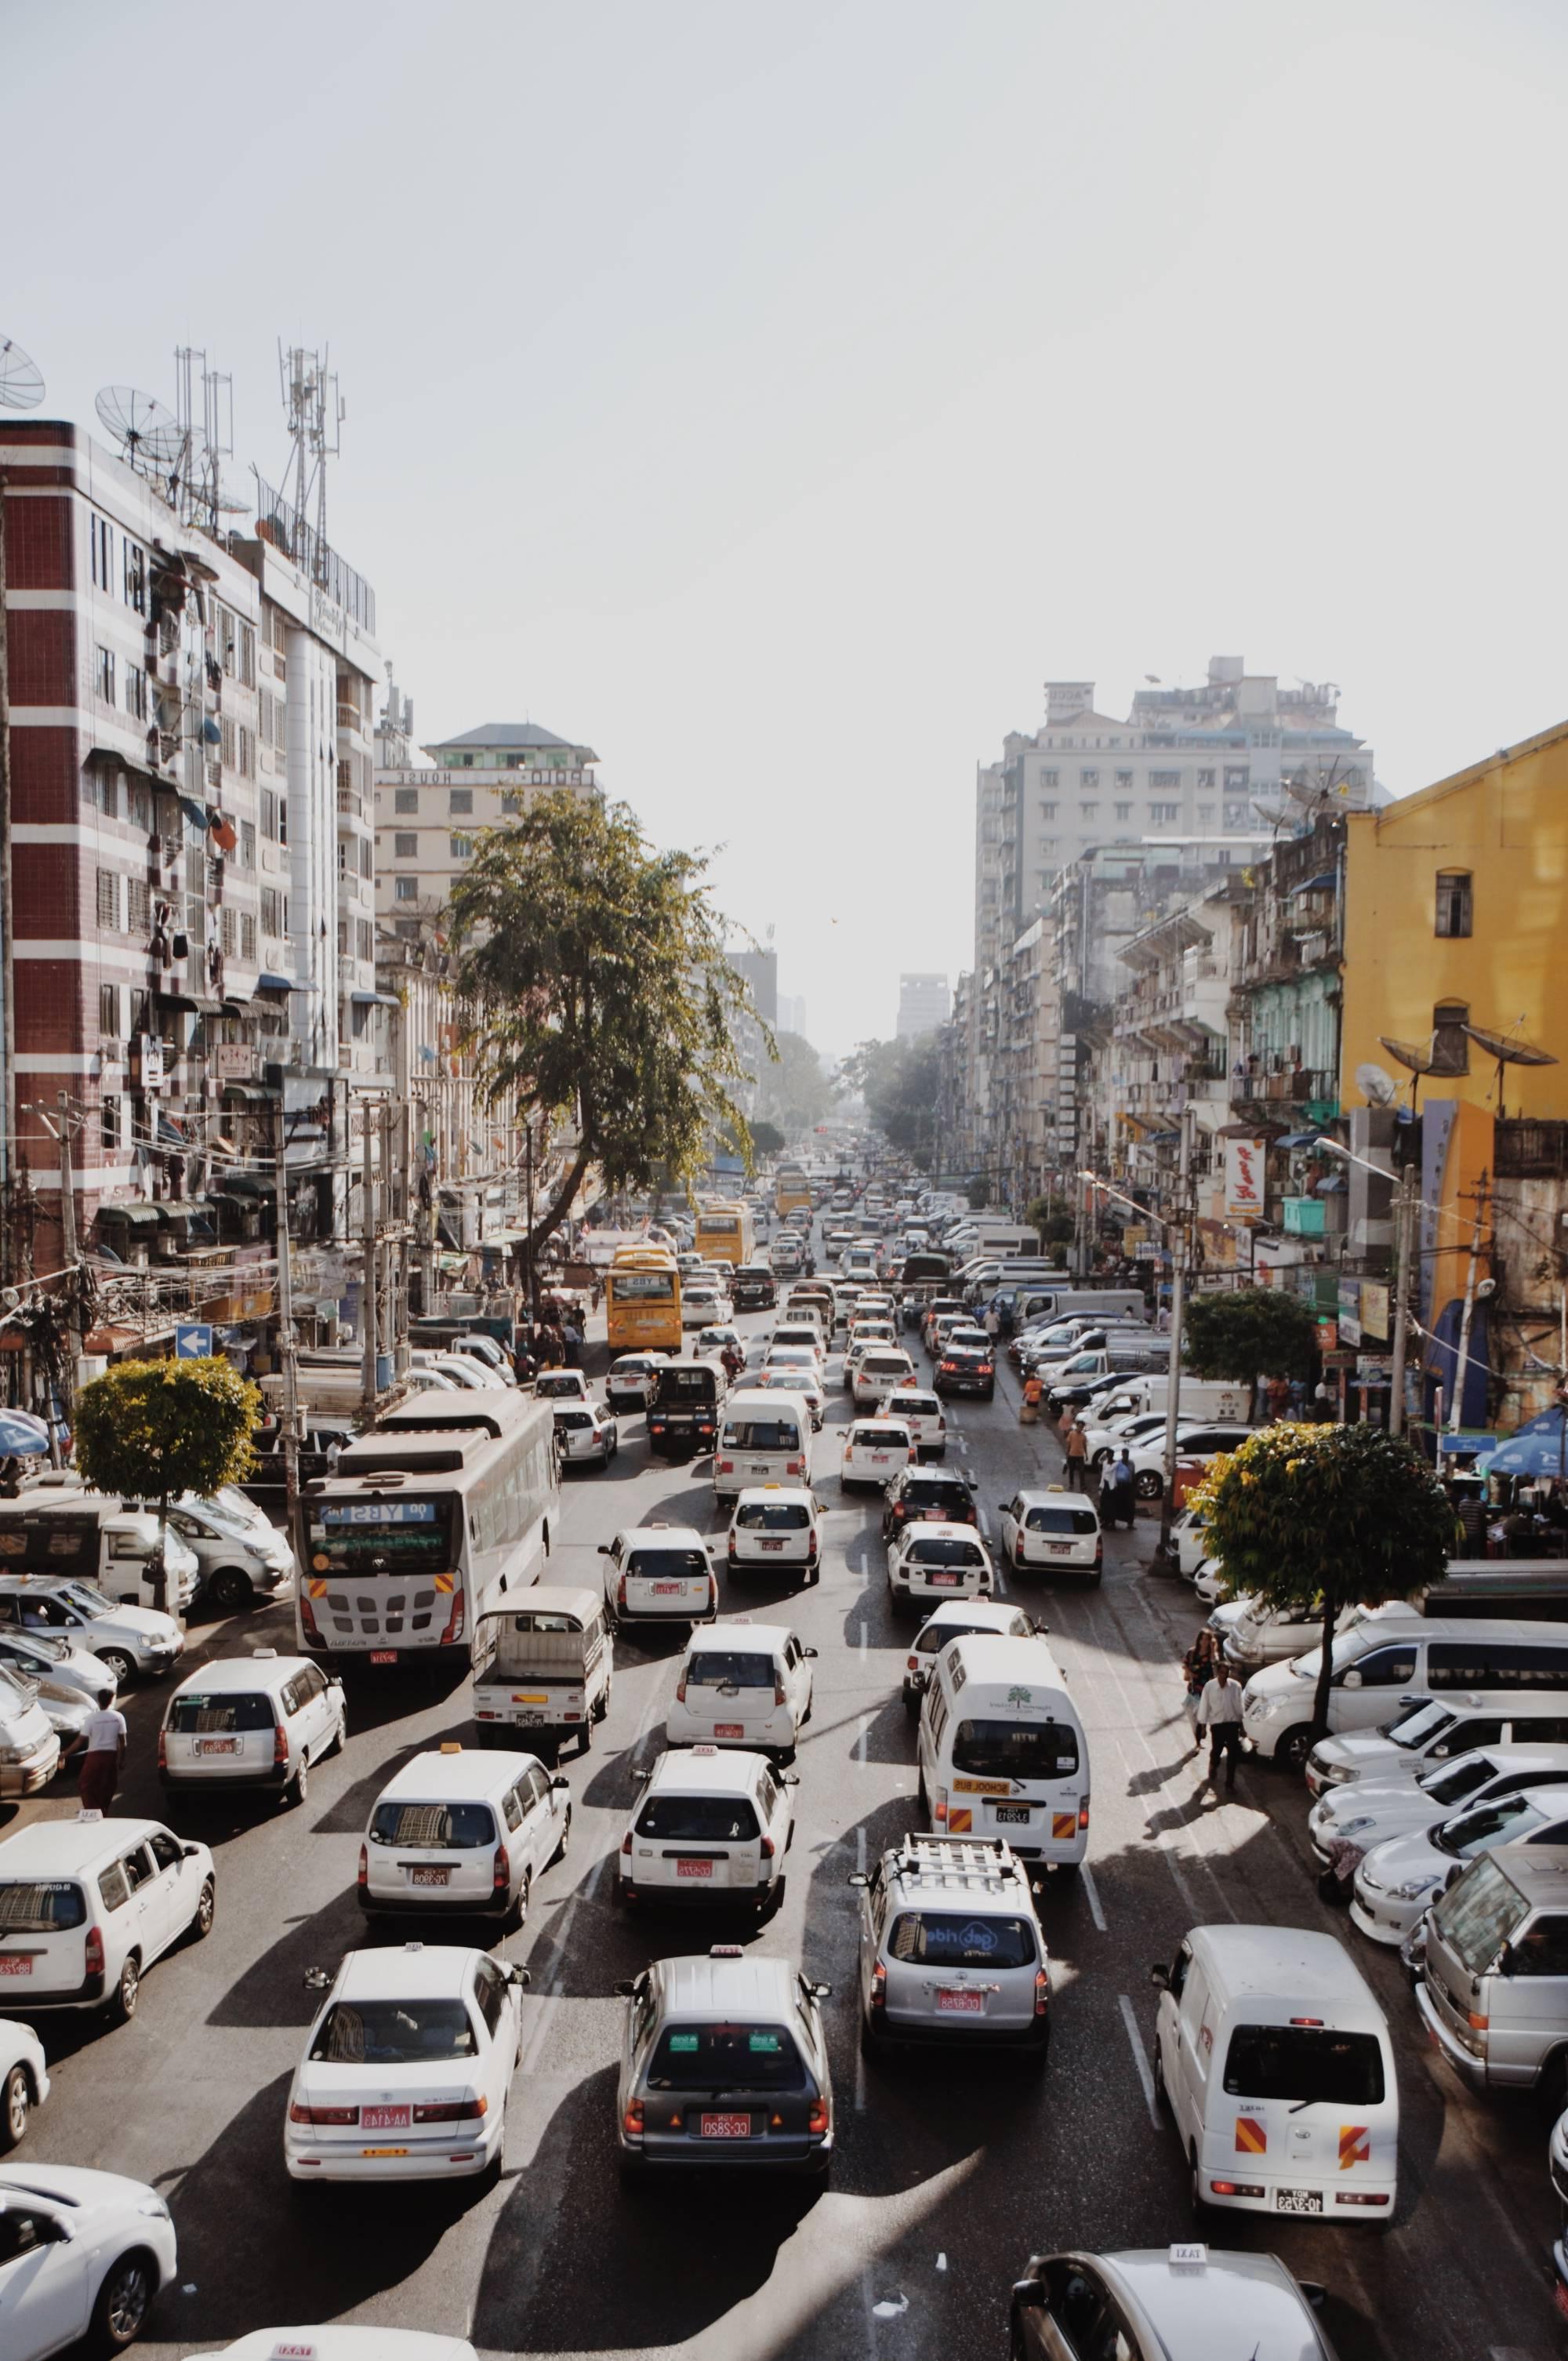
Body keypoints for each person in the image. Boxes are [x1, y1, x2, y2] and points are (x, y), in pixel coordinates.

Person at [1195, 1656, 1246, 1790]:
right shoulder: (1210, 1687)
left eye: (1226, 1673)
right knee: (1216, 1751)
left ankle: (1229, 1783)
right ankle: (1213, 1764)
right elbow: (1204, 1707)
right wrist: (1203, 1728)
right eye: (1222, 1673)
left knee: (1233, 1756)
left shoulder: (1236, 1687)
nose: (1224, 1676)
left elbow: (1239, 1708)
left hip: (1232, 1725)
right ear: (1217, 1673)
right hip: (1217, 1726)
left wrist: (1242, 1727)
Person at [78, 1687, 127, 1814]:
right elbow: (123, 1742)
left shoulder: (91, 1718)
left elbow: (80, 1740)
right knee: (108, 1785)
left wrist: (64, 1754)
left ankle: (92, 1810)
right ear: (111, 1701)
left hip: (94, 1756)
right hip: (111, 1756)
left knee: (86, 1784)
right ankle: (104, 1809)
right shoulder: (118, 1717)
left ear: (98, 1701)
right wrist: (122, 1760)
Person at [1102, 1447, 1136, 1529]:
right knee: (1116, 1505)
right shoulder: (1118, 1464)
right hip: (1119, 1486)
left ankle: (1130, 1523)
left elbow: (1133, 1475)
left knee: (1130, 1505)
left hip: (1128, 1486)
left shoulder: (1131, 1463)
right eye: (1124, 1454)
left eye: (1127, 1454)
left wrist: (1133, 1487)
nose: (1126, 1456)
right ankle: (1112, 1523)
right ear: (1122, 1454)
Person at [1063, 1419, 1089, 1491]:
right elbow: (1069, 1444)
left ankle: (1082, 1485)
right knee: (1071, 1470)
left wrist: (1086, 1455)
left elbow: (1084, 1446)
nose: (1080, 1428)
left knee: (1082, 1471)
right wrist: (1067, 1453)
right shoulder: (1071, 1434)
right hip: (1072, 1455)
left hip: (1080, 1455)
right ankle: (1071, 1484)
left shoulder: (1083, 1436)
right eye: (1079, 1426)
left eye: (1082, 1427)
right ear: (1077, 1426)